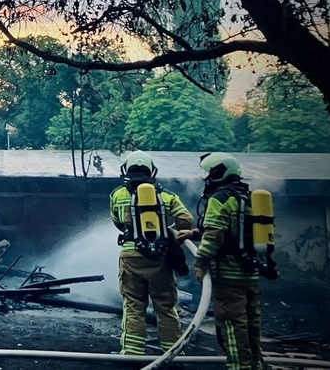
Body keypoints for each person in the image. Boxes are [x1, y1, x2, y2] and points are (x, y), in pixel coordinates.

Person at [109, 150, 195, 356]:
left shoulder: (117, 195)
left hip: (131, 255)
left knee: (133, 306)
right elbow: (186, 220)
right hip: (161, 257)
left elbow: (118, 223)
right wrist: (167, 231)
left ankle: (132, 353)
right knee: (166, 307)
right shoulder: (167, 196)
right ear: (152, 171)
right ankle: (173, 354)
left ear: (126, 169)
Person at [194, 152, 270, 370]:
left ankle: (239, 367)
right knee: (251, 326)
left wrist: (200, 263)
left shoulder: (220, 199)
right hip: (250, 273)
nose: (207, 179)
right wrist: (193, 234)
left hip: (228, 276)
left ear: (218, 172)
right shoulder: (248, 198)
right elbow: (234, 232)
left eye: (209, 173)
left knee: (232, 328)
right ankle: (256, 365)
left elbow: (215, 235)